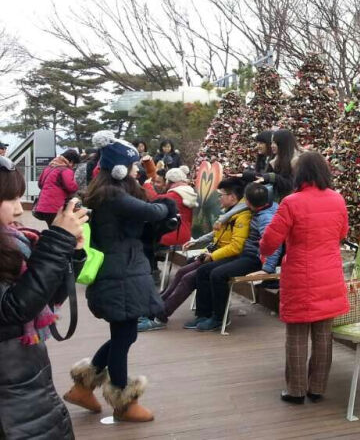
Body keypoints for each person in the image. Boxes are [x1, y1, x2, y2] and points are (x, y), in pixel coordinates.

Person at [63, 132, 173, 423]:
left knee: (124, 334)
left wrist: (149, 184)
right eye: (134, 166)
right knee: (123, 336)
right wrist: (168, 205)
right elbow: (153, 211)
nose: (136, 170)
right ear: (121, 170)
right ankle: (123, 402)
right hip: (119, 274)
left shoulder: (106, 193)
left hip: (119, 272)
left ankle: (82, 387)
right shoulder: (114, 196)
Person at [0, 155, 87, 440]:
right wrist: (57, 241)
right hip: (11, 402)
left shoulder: (14, 241)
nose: (17, 210)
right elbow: (14, 308)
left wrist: (70, 252)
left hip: (25, 380)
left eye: (19, 198)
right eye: (8, 199)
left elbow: (43, 298)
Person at [259, 152, 349, 404]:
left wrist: (263, 254)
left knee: (297, 335)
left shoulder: (291, 202)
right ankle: (317, 388)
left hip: (300, 274)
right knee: (323, 335)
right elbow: (342, 232)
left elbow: (271, 239)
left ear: (301, 174)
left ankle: (296, 390)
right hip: (330, 275)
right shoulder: (338, 199)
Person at [148, 177, 249, 331]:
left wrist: (212, 255)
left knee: (191, 276)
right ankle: (158, 305)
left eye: (221, 195)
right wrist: (200, 244)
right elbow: (216, 235)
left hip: (226, 257)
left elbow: (236, 246)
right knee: (183, 271)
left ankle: (161, 314)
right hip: (216, 253)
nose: (219, 198)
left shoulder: (242, 216)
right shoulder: (229, 213)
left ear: (233, 197)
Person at [185, 183, 284, 332]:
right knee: (204, 270)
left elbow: (274, 244)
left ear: (248, 202)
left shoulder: (265, 218)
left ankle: (218, 318)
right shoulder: (258, 206)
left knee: (218, 274)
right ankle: (203, 315)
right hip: (244, 254)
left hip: (254, 259)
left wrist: (267, 269)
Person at [34, 149, 81, 227]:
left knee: (51, 227)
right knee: (58, 230)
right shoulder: (65, 170)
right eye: (74, 164)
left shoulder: (48, 168)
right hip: (55, 207)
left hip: (43, 206)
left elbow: (40, 184)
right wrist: (77, 185)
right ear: (71, 161)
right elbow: (71, 187)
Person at [262, 129, 298, 202]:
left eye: (275, 143)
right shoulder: (274, 159)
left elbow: (292, 185)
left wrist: (273, 177)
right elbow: (264, 176)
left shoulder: (297, 161)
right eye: (271, 143)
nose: (272, 146)